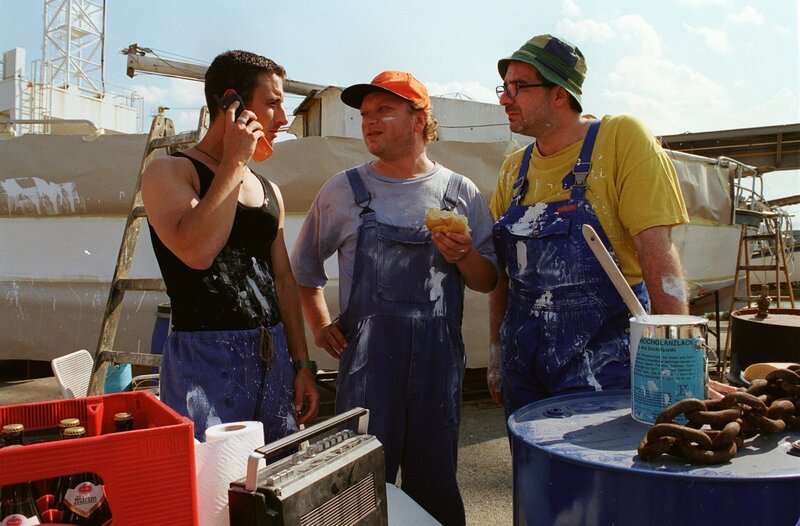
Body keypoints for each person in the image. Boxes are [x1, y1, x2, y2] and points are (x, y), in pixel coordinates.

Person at [290, 71, 498, 526]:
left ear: (420, 119)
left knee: (435, 486)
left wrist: (464, 256)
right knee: (357, 491)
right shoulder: (343, 191)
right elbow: (303, 270)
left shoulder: (459, 193)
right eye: (364, 114)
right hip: (366, 374)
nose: (369, 121)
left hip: (438, 372)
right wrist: (322, 324)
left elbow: (487, 281)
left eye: (384, 110)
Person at [487, 35, 690, 418]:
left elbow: (656, 251)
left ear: (560, 94)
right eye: (504, 87)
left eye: (518, 87)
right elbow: (501, 276)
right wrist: (497, 355)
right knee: (532, 476)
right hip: (525, 368)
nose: (504, 98)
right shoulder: (514, 168)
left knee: (597, 475)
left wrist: (675, 360)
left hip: (602, 364)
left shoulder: (619, 139)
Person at [141, 50, 319, 442]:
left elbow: (284, 281)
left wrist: (302, 362)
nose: (284, 120)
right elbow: (197, 251)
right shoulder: (170, 171)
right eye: (273, 103)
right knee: (213, 485)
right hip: (205, 360)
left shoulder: (269, 189)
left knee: (274, 477)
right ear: (232, 104)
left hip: (273, 355)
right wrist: (235, 162)